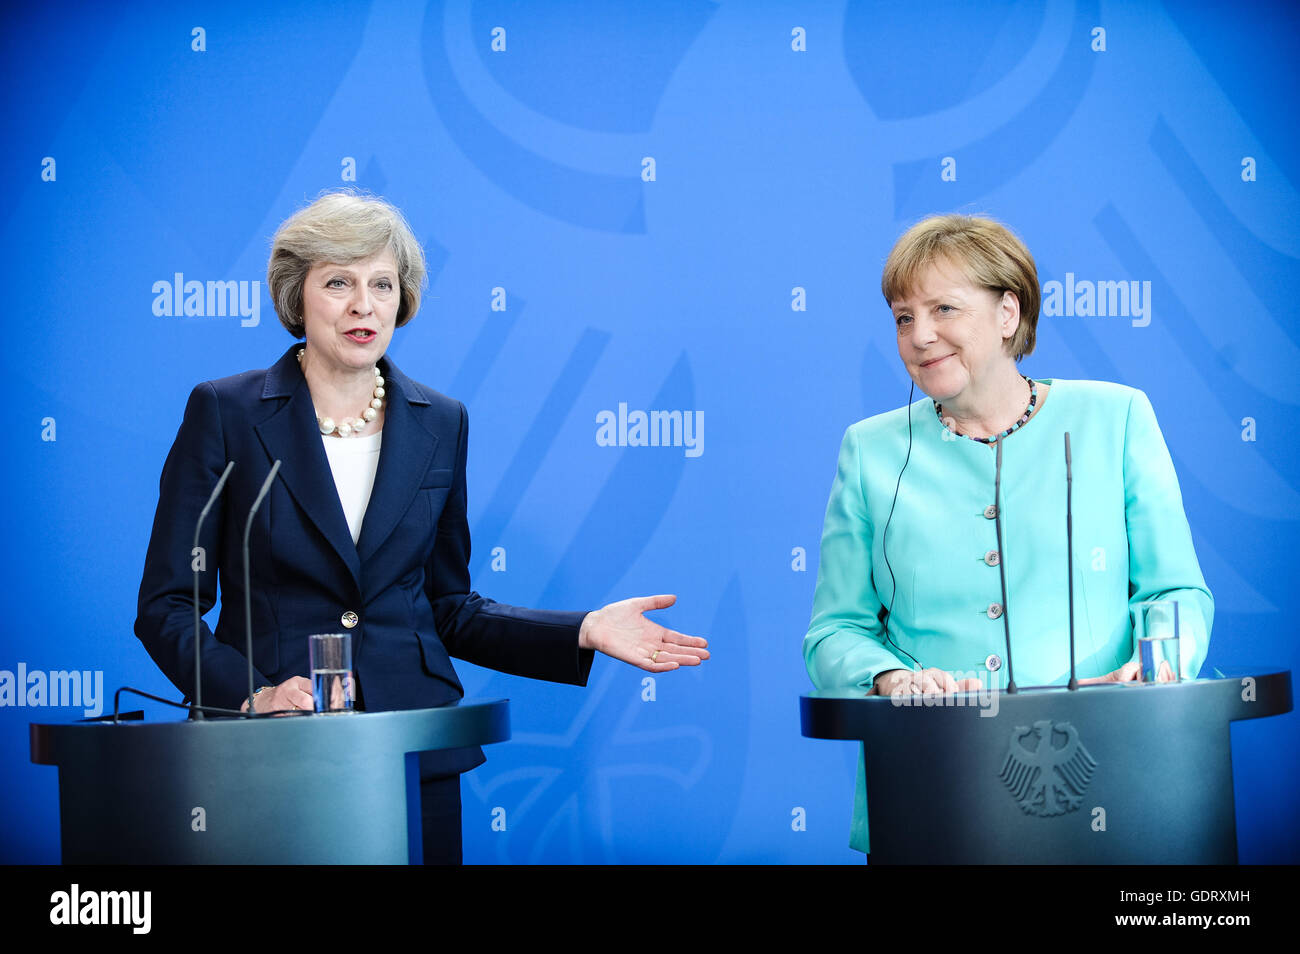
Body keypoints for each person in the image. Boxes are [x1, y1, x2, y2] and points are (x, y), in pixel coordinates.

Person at [134, 190, 709, 864]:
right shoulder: (226, 412)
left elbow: (448, 607)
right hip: (270, 754)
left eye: (382, 284)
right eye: (339, 283)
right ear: (298, 296)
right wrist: (253, 695)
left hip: (412, 755)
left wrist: (582, 630)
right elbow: (167, 607)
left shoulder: (440, 421)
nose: (363, 305)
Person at [802, 214, 1212, 854]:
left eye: (944, 309)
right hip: (930, 792)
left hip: (1110, 788)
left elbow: (1176, 591)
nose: (921, 335)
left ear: (1007, 313)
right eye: (903, 317)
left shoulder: (1117, 418)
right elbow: (835, 630)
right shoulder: (870, 451)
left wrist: (1156, 663)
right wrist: (888, 679)